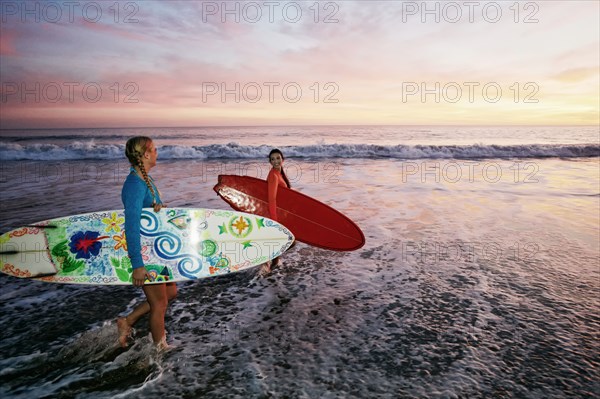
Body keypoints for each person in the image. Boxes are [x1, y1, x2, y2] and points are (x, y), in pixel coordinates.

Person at [116, 136, 176, 349]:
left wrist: (159, 210)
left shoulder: (145, 180)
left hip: (156, 249)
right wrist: (137, 265)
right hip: (145, 252)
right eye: (155, 149)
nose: (157, 152)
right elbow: (131, 225)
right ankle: (160, 349)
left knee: (171, 293)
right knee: (159, 303)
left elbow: (148, 214)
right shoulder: (134, 184)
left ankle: (128, 321)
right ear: (146, 154)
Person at [265, 148, 292, 270]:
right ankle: (269, 265)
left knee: (281, 243)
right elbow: (272, 199)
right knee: (291, 241)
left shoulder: (279, 173)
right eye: (272, 159)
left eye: (278, 158)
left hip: (279, 214)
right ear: (270, 162)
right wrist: (274, 220)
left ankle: (270, 269)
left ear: (283, 159)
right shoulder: (273, 175)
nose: (276, 161)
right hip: (274, 215)